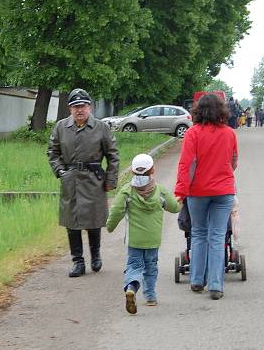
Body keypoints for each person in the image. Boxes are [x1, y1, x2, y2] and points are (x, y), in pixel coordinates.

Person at [48, 88, 120, 277]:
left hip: (93, 179)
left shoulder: (101, 128)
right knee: (72, 222)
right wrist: (60, 171)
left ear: (90, 107)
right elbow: (52, 153)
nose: (79, 110)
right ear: (70, 109)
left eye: (82, 106)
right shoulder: (61, 127)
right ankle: (78, 261)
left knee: (94, 221)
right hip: (70, 179)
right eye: (75, 107)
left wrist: (110, 180)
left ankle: (95, 255)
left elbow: (113, 155)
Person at [174, 93, 238, 300]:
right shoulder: (229, 134)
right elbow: (234, 161)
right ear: (222, 110)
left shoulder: (193, 134)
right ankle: (216, 285)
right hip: (224, 191)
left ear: (198, 111)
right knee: (217, 237)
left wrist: (180, 191)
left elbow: (186, 165)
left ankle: (196, 280)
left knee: (199, 234)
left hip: (198, 192)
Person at [106, 153, 180, 314]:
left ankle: (132, 287)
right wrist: (179, 201)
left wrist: (109, 227)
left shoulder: (127, 192)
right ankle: (151, 297)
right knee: (151, 267)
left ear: (132, 171)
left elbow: (116, 212)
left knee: (134, 266)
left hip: (135, 240)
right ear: (153, 169)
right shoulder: (160, 191)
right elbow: (174, 207)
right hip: (153, 239)